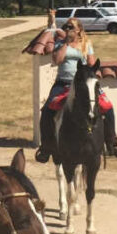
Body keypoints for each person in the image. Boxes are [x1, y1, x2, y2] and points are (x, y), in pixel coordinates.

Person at [36, 20, 96, 162]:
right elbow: (57, 60)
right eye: (66, 27)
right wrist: (66, 43)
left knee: (106, 106)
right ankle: (46, 147)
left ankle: (111, 140)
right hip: (63, 84)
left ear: (79, 30)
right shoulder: (60, 44)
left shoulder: (86, 44)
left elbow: (92, 64)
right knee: (46, 111)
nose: (68, 29)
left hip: (82, 85)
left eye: (71, 27)